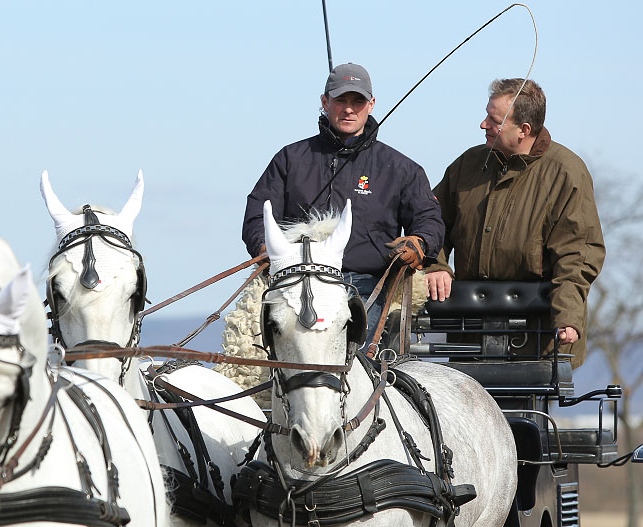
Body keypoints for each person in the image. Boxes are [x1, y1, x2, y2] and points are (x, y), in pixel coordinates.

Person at [242, 63, 445, 340]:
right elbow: (257, 213)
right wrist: (264, 247)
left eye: (357, 101)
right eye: (341, 100)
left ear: (371, 105)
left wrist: (420, 242)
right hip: (296, 280)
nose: (349, 109)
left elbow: (429, 218)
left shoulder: (401, 168)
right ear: (325, 102)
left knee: (353, 356)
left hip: (365, 285)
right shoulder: (290, 159)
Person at [424, 78, 605, 368]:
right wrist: (435, 265)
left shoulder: (566, 173)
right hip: (469, 333)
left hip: (537, 337)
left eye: (493, 120)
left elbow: (578, 255)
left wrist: (568, 317)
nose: (483, 125)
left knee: (524, 414)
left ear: (523, 130)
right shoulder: (468, 165)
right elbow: (430, 222)